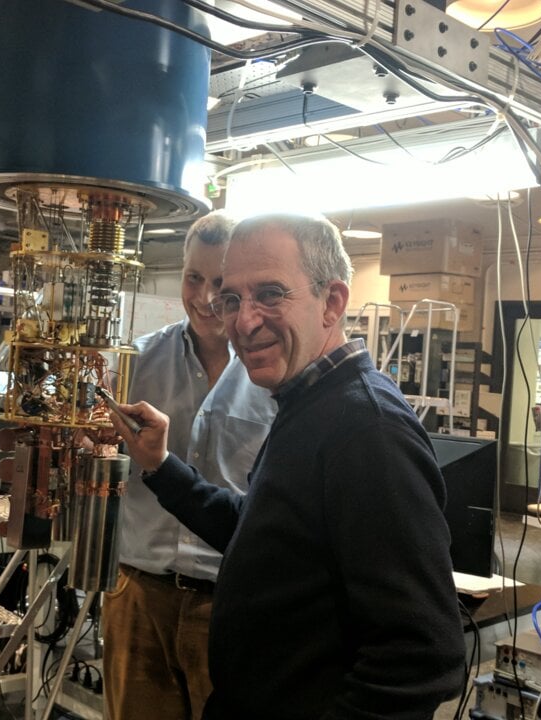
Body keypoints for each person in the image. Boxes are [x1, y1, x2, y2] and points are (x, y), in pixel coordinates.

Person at [108, 213, 467, 719]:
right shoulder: (306, 404)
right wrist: (162, 467)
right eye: (232, 299)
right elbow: (258, 537)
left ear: (333, 303)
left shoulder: (367, 430)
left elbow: (421, 656)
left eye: (271, 294)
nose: (244, 320)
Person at [102, 212, 276, 720]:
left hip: (230, 605)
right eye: (193, 279)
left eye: (220, 283)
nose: (203, 298)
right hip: (137, 595)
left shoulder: (273, 375)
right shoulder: (133, 363)